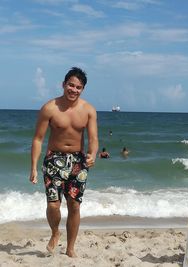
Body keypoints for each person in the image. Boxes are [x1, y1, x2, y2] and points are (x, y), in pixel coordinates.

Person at [29, 67, 98, 257]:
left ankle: (70, 248)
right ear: (64, 84)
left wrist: (92, 154)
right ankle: (54, 232)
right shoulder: (49, 108)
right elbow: (37, 139)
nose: (74, 90)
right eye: (71, 85)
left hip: (78, 161)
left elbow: (93, 138)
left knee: (74, 205)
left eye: (78, 87)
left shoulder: (88, 110)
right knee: (53, 204)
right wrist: (33, 167)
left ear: (82, 89)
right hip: (53, 159)